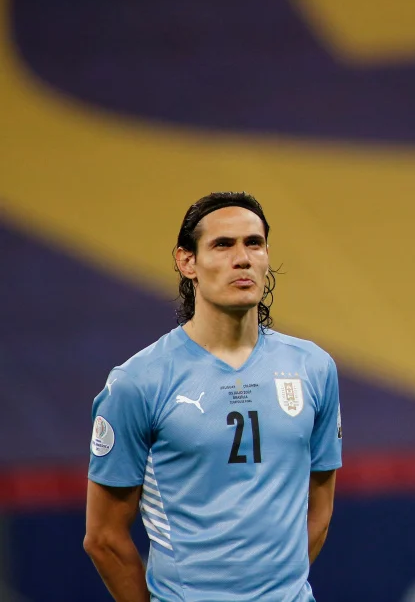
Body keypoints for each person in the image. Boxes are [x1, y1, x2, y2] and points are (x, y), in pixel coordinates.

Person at [83, 192, 342, 602]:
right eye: (223, 245)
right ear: (187, 262)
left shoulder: (313, 367)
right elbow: (104, 538)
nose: (242, 258)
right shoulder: (138, 383)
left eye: (253, 243)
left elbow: (320, 511)